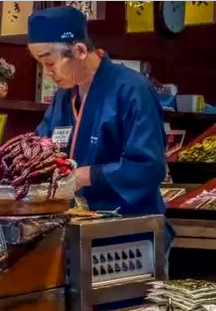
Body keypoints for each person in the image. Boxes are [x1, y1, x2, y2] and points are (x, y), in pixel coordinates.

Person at [27, 6, 174, 271]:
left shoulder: (132, 88)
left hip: (130, 234)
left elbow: (149, 166)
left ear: (80, 51)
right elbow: (41, 146)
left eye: (49, 62)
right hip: (76, 231)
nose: (48, 72)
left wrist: (86, 176)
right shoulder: (64, 96)